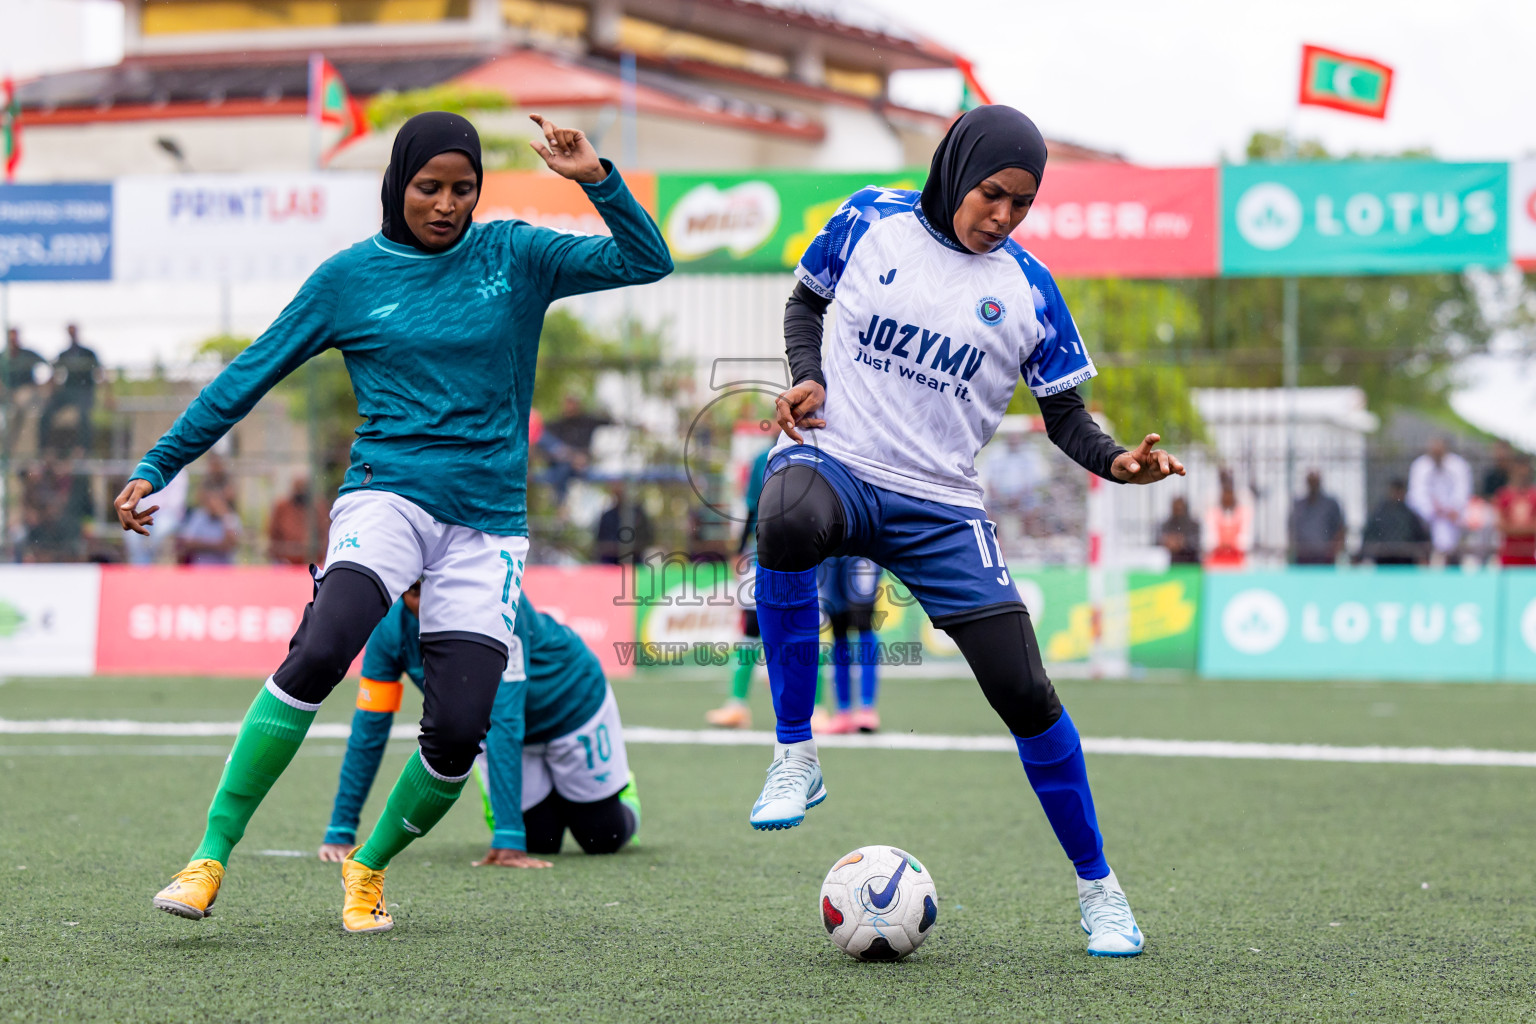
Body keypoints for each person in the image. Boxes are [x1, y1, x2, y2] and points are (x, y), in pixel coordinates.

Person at [115, 110, 670, 934]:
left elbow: (645, 261)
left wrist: (596, 177)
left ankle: (368, 869)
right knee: (322, 645)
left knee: (455, 734)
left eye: (463, 188)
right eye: (429, 187)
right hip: (388, 495)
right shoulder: (349, 279)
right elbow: (249, 374)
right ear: (396, 184)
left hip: (487, 528)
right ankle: (208, 856)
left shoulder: (516, 255)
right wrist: (158, 463)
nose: (447, 204)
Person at [751, 105, 1182, 957]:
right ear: (955, 169)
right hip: (837, 462)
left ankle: (1101, 889)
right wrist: (806, 379)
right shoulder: (868, 218)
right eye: (992, 194)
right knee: (786, 519)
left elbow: (1065, 416)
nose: (1003, 216)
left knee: (1025, 692)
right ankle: (796, 753)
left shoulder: (1028, 289)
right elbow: (806, 305)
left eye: (1022, 204)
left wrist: (1115, 463)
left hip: (941, 506)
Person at [319, 583, 640, 866]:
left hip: (572, 706)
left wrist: (508, 838)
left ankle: (621, 791)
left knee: (602, 837)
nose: (428, 601)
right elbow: (370, 726)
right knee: (542, 841)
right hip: (509, 727)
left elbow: (505, 719)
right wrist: (341, 827)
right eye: (416, 592)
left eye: (435, 585)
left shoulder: (497, 603)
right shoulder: (388, 631)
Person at [706, 443, 772, 730]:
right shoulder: (762, 458)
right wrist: (738, 551)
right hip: (762, 552)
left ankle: (816, 709)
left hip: (809, 554)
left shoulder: (820, 451)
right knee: (751, 626)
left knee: (804, 629)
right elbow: (750, 506)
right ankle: (737, 705)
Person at [818, 556, 882, 734]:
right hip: (828, 550)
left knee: (863, 620)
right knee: (838, 626)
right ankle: (843, 711)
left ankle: (867, 707)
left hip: (861, 547)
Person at [37, 323, 101, 455]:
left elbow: (100, 373)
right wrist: (48, 392)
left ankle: (83, 448)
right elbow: (54, 374)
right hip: (68, 390)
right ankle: (44, 448)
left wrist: (107, 395)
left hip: (84, 390)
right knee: (46, 412)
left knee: (84, 414)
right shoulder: (64, 354)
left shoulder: (88, 353)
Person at [1406, 437, 1471, 565]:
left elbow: (1463, 491)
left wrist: (1451, 509)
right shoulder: (1420, 466)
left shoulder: (1458, 465)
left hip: (1452, 518)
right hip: (1427, 520)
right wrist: (1432, 509)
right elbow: (1416, 494)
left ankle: (1452, 560)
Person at [540, 394, 612, 503]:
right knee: (563, 468)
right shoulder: (556, 424)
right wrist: (573, 458)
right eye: (568, 403)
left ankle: (563, 505)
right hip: (562, 464)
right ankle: (562, 505)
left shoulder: (587, 421)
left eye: (573, 403)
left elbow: (609, 421)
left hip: (582, 465)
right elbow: (550, 447)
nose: (570, 407)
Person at [1358, 479, 1430, 565]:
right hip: (1383, 561)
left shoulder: (1410, 515)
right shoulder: (1380, 514)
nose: (1397, 495)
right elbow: (1368, 537)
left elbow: (1421, 538)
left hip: (1406, 561)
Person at [175, 479, 241, 565]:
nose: (213, 504)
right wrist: (217, 545)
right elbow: (188, 544)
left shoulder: (231, 518)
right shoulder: (199, 516)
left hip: (224, 571)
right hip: (200, 570)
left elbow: (229, 545)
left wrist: (223, 516)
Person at [267, 475, 330, 565]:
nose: (300, 491)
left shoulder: (318, 506)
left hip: (313, 561)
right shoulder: (282, 507)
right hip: (287, 562)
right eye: (298, 488)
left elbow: (325, 533)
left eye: (303, 488)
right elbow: (273, 534)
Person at [1289, 470, 1345, 565]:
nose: (1313, 484)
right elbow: (1291, 529)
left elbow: (1340, 529)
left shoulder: (1330, 505)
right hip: (1303, 558)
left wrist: (1334, 551)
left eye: (1315, 481)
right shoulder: (1299, 505)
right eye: (1311, 481)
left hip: (1324, 558)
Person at [593, 481, 653, 564]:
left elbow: (647, 539)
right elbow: (600, 543)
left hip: (635, 560)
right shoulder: (607, 516)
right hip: (611, 562)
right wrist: (615, 548)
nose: (620, 491)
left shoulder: (638, 514)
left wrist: (630, 548)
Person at [1203, 471, 1251, 568]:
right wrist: (1221, 544)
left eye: (1230, 493)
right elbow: (1209, 539)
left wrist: (1232, 544)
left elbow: (1246, 539)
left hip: (1237, 560)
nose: (1227, 497)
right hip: (1216, 559)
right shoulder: (1213, 513)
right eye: (1225, 493)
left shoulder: (1243, 513)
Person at [1494, 458, 1536, 567]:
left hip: (1530, 554)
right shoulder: (1504, 495)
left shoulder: (1534, 495)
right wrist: (1524, 528)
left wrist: (1513, 528)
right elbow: (1500, 525)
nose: (1521, 474)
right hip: (1509, 554)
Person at [1156, 496, 1200, 565]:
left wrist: (1182, 542)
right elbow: (1157, 541)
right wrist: (1167, 541)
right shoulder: (1166, 525)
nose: (1178, 512)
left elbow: (1197, 542)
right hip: (1169, 561)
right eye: (1176, 509)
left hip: (1189, 561)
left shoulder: (1194, 525)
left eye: (1180, 509)